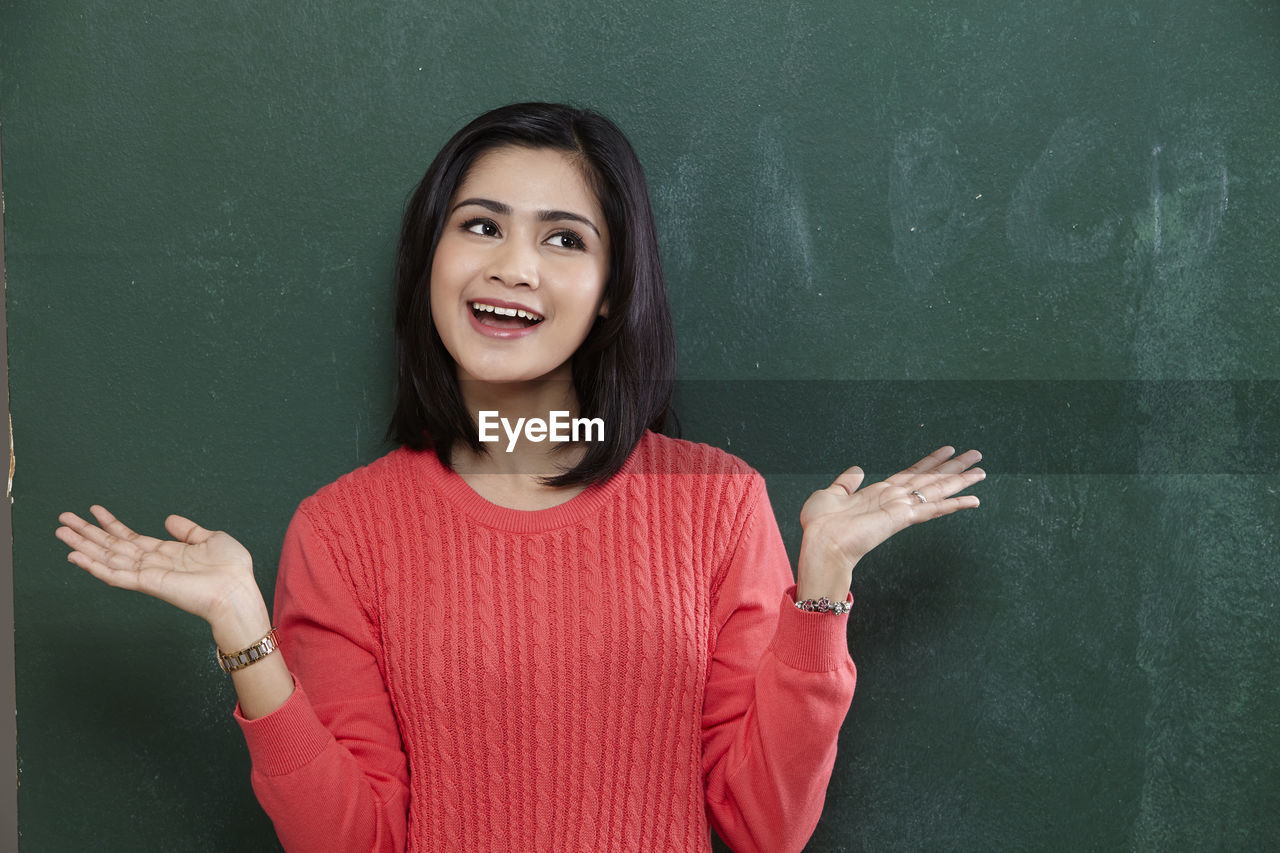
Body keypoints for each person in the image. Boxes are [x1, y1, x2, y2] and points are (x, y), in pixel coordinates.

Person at [54, 102, 984, 853]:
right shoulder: (343, 531)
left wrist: (819, 592)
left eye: (565, 240)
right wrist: (244, 632)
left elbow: (764, 826)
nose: (512, 267)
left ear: (615, 287)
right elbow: (355, 844)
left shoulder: (716, 501)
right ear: (432, 258)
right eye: (482, 225)